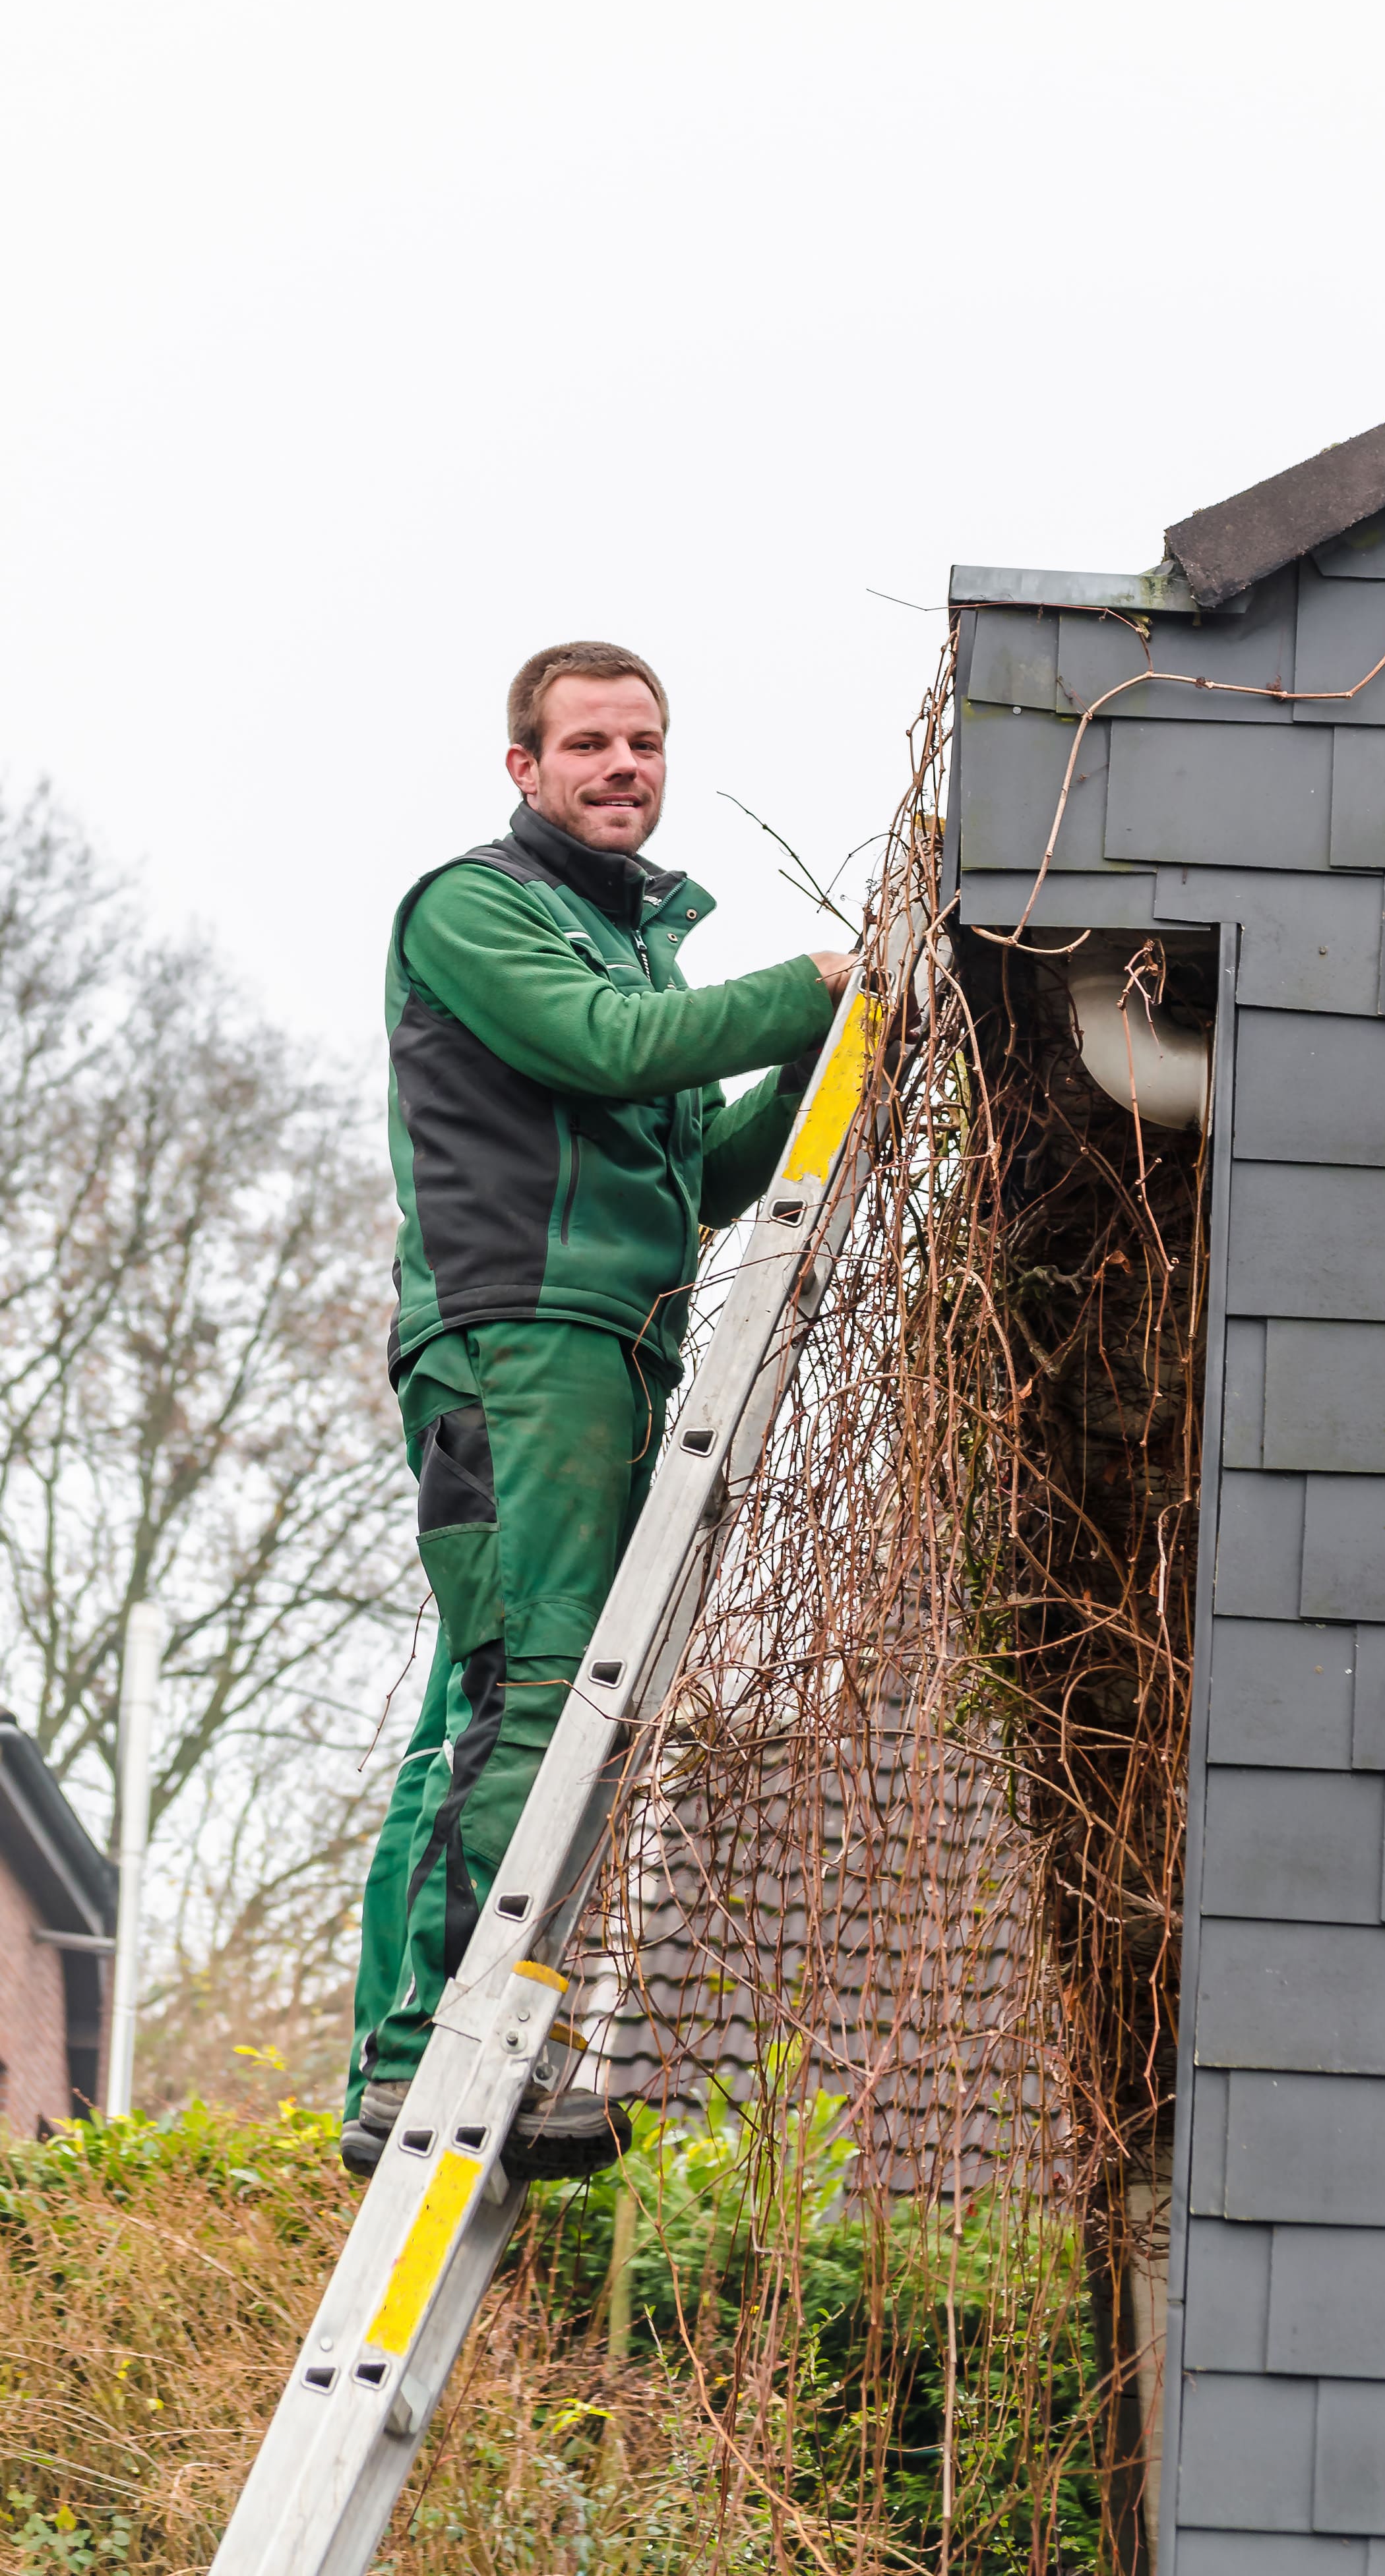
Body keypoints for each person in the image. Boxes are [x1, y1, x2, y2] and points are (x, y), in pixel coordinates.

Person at [341, 640, 853, 2178]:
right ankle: (437, 2045)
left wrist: (818, 1051)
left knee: (496, 1685)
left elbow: (693, 1178)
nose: (620, 764)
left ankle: (421, 2041)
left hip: (616, 1341)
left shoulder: (645, 957)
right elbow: (597, 1053)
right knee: (533, 1677)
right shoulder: (476, 908)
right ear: (527, 767)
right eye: (587, 744)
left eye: (642, 741)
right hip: (522, 1332)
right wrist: (806, 983)